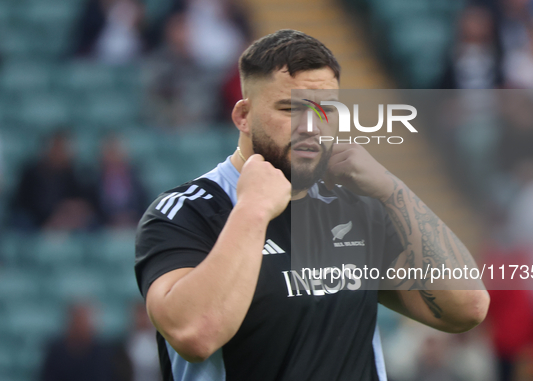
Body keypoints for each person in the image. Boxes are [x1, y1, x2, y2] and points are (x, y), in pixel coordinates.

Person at [135, 29, 490, 380]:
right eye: (290, 108)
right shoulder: (185, 213)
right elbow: (196, 334)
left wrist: (391, 189)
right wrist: (254, 209)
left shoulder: (356, 207)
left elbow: (466, 308)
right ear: (243, 115)